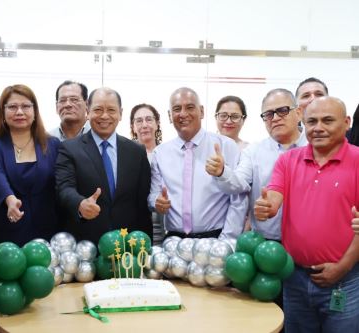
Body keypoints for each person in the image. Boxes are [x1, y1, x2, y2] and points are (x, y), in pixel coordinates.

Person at [254, 96, 359, 332]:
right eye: (312, 122)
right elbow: (274, 197)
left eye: (328, 121)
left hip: (346, 279)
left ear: (346, 122)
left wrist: (342, 266)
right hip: (295, 278)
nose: (318, 128)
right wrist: (266, 207)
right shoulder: (288, 160)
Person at [206, 88, 307, 241]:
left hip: (308, 240)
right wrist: (222, 172)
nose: (275, 118)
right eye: (268, 114)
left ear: (298, 112)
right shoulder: (253, 152)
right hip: (266, 244)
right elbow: (238, 184)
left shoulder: (315, 147)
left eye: (282, 110)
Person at [56, 87, 152, 245]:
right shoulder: (69, 148)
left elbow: (142, 204)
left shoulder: (137, 152)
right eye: (98, 109)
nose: (105, 116)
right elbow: (64, 188)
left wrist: (144, 247)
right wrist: (80, 203)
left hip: (126, 245)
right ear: (88, 111)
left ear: (120, 113)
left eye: (111, 110)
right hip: (86, 245)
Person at [149, 87, 247, 241]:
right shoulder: (160, 153)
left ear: (201, 111)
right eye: (176, 109)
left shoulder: (226, 146)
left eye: (189, 107)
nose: (183, 114)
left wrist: (227, 240)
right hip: (174, 241)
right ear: (169, 115)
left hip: (215, 239)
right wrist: (156, 202)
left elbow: (239, 196)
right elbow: (153, 193)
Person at [0, 84, 60, 257]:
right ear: (3, 112)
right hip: (6, 230)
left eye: (25, 106)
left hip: (46, 230)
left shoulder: (52, 145)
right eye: (12, 107)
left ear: (35, 111)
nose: (19, 112)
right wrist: (9, 199)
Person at [130, 103, 164, 244]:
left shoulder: (167, 153)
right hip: (134, 225)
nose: (144, 125)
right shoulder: (125, 154)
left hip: (165, 222)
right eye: (139, 121)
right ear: (132, 126)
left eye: (149, 119)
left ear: (157, 124)